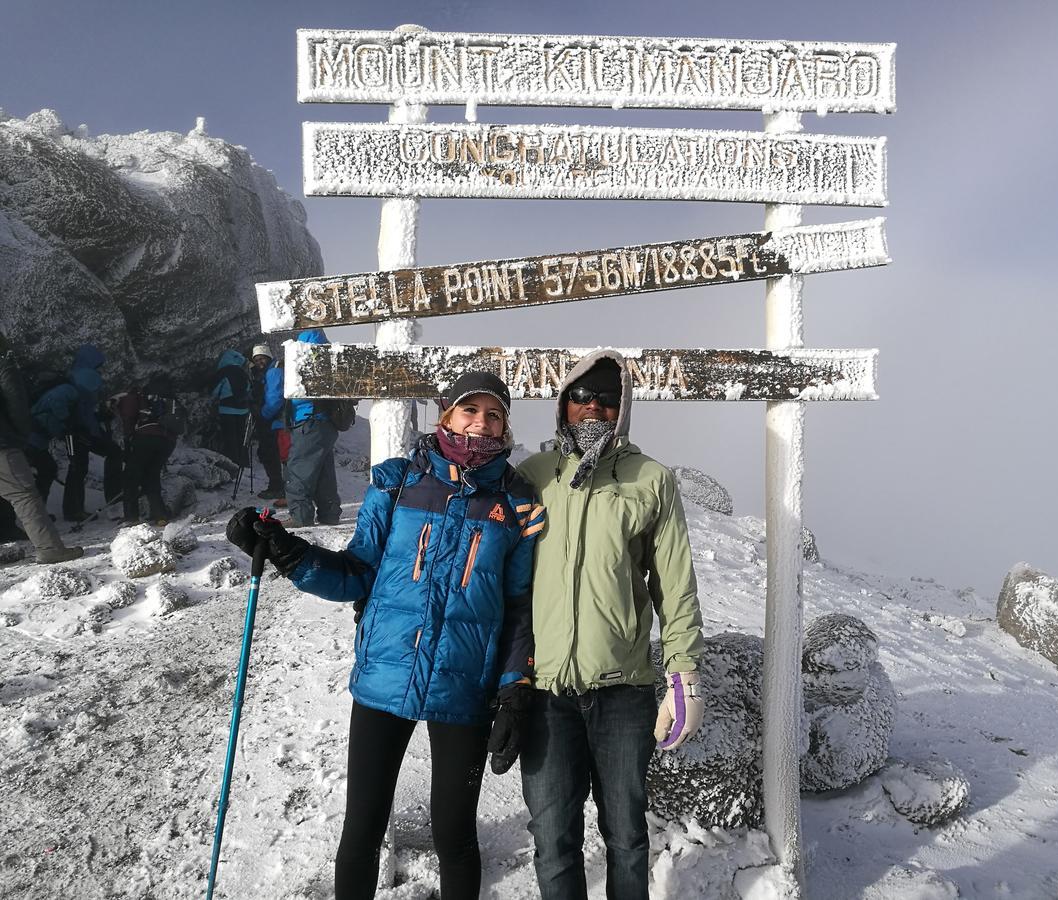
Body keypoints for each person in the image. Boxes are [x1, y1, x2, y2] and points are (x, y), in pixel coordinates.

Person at [226, 371, 542, 900]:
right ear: (446, 414)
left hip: (464, 684)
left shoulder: (516, 503)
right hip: (385, 674)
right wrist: (287, 551)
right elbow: (357, 572)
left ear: (505, 424)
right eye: (469, 410)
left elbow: (518, 607)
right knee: (364, 825)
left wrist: (515, 686)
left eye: (493, 414)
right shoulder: (397, 483)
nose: (481, 423)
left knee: (454, 835)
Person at [515, 349, 705, 900]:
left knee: (625, 837)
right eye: (581, 396)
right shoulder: (532, 477)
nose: (593, 407)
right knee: (552, 840)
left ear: (622, 409)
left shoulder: (651, 480)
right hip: (546, 692)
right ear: (562, 404)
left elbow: (674, 584)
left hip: (624, 691)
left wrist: (684, 672)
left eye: (607, 398)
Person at [0, 330, 83, 563]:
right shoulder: (4, 365)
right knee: (24, 494)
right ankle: (50, 549)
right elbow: (15, 400)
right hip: (2, 444)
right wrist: (20, 435)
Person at [281, 329, 340, 526]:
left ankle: (300, 516)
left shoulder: (306, 361)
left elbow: (299, 396)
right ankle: (329, 513)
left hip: (308, 421)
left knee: (299, 469)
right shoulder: (329, 361)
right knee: (323, 471)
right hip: (327, 424)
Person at [61, 344, 123, 521]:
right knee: (80, 466)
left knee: (78, 467)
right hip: (80, 430)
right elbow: (83, 410)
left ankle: (73, 509)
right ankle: (113, 497)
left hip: (77, 429)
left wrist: (97, 419)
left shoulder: (73, 375)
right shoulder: (84, 376)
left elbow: (82, 410)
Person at [116, 372, 182, 525]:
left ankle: (131, 517)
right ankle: (160, 515)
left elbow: (128, 417)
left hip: (145, 438)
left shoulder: (137, 395)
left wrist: (128, 438)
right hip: (167, 441)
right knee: (152, 475)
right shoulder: (170, 397)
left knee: (131, 476)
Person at [248, 344, 286, 502]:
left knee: (271, 454)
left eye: (262, 358)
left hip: (274, 422)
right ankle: (278, 486)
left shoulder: (273, 372)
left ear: (269, 357)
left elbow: (275, 399)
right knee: (270, 454)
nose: (259, 362)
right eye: (256, 360)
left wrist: (262, 414)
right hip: (274, 421)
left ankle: (277, 487)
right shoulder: (268, 372)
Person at [211, 348, 250, 467]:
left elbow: (215, 390)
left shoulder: (224, 372)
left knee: (230, 436)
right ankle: (244, 461)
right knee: (241, 436)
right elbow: (249, 389)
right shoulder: (243, 373)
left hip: (227, 409)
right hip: (243, 409)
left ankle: (232, 462)